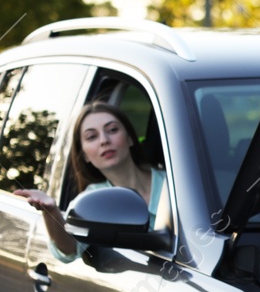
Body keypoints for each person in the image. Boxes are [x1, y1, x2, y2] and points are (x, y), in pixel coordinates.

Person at [15, 101, 165, 261]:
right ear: (84, 155)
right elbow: (69, 250)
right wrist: (51, 212)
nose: (104, 140)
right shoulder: (93, 199)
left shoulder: (175, 181)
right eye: (92, 136)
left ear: (130, 138)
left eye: (112, 130)